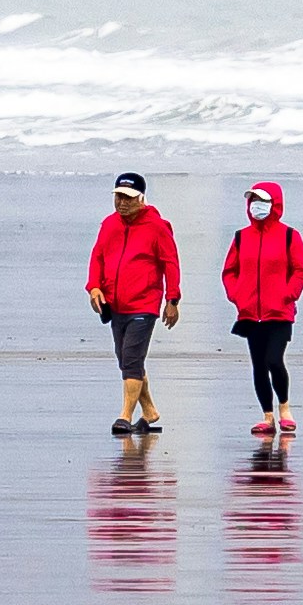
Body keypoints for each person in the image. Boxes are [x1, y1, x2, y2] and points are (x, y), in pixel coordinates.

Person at [83, 169, 181, 435]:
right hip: (115, 305)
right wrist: (94, 288)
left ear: (141, 198)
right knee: (126, 360)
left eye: (127, 198)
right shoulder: (109, 224)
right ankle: (149, 411)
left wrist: (172, 299)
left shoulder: (157, 227)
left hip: (144, 304)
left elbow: (170, 263)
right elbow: (98, 257)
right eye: (118, 197)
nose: (122, 203)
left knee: (132, 359)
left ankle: (124, 416)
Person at [221, 179, 303, 435]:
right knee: (258, 364)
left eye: (263, 201)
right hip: (250, 313)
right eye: (254, 200)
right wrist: (237, 295)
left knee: (273, 359)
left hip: (279, 312)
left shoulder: (290, 235)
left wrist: (288, 294)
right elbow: (229, 271)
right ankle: (267, 417)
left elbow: (300, 269)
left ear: (275, 204)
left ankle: (284, 408)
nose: (258, 205)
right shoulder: (241, 237)